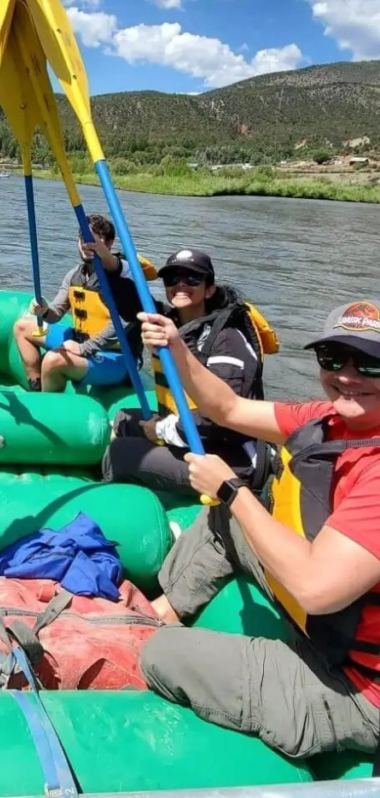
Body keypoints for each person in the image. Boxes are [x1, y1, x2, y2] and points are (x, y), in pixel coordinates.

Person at [136, 300, 380, 763]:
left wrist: (232, 490)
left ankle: (161, 634)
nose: (347, 376)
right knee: (229, 521)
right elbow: (226, 406)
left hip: (357, 688)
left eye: (370, 363)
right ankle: (164, 607)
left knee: (161, 655)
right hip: (330, 621)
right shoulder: (328, 419)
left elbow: (316, 590)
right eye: (333, 359)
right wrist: (175, 344)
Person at [102, 248, 276, 494]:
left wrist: (162, 429)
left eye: (192, 279)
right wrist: (110, 264)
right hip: (191, 433)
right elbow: (130, 304)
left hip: (226, 458)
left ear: (209, 289)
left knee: (120, 452)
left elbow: (221, 420)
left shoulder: (227, 339)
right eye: (172, 279)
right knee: (123, 420)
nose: (180, 285)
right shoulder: (170, 322)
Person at [12, 214, 152, 394]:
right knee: (22, 327)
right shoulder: (74, 276)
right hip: (81, 340)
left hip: (117, 356)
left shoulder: (123, 276)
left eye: (94, 240)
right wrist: (44, 310)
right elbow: (55, 314)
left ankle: (51, 413)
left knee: (53, 360)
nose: (86, 244)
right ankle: (36, 389)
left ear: (108, 244)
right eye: (83, 238)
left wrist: (83, 348)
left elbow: (122, 323)